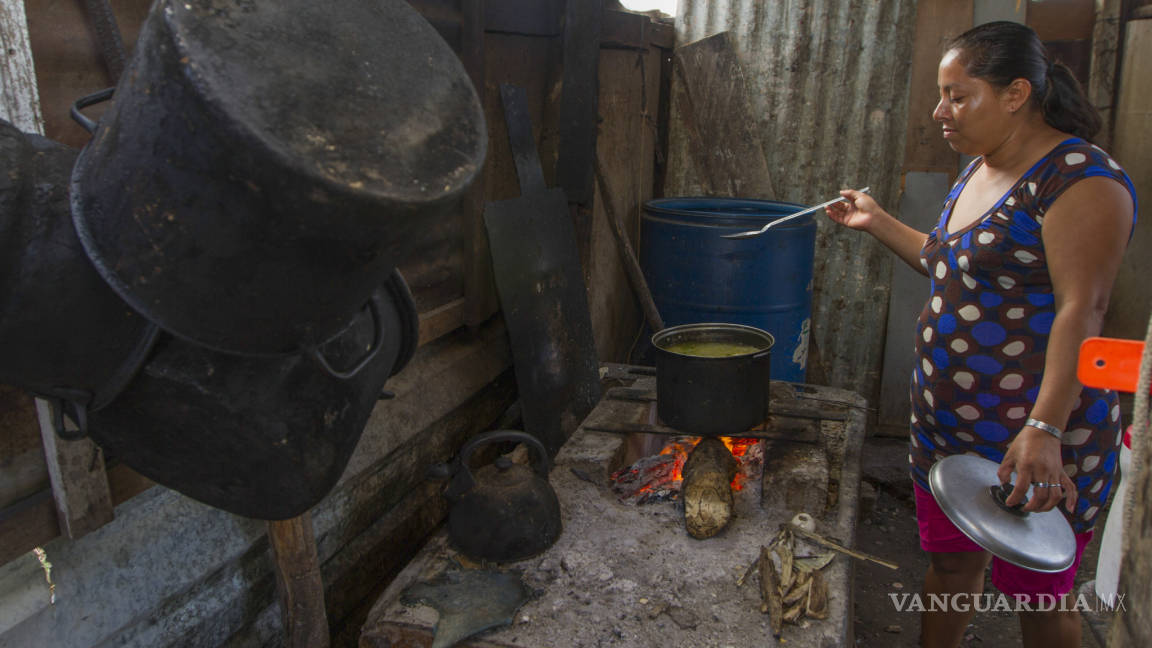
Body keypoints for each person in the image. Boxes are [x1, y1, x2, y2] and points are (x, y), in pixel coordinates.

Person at [824, 21, 1138, 648]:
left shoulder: (1078, 180)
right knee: (949, 568)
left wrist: (1045, 430)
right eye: (942, 95)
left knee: (1040, 598)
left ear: (1016, 93)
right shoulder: (980, 168)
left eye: (958, 95)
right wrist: (878, 221)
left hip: (1035, 437)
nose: (940, 111)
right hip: (949, 426)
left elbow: (1085, 309)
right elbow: (952, 264)